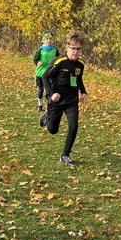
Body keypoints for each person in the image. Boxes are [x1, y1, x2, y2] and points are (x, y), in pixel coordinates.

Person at [39, 30, 88, 167]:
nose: (75, 52)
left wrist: (83, 92)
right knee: (53, 130)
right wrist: (51, 94)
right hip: (57, 100)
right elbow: (45, 76)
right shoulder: (59, 61)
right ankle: (48, 115)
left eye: (78, 49)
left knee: (74, 125)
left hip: (71, 100)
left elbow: (79, 79)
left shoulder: (80, 65)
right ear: (67, 48)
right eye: (73, 48)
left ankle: (65, 155)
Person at [33, 31, 59, 111]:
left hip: (50, 73)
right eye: (47, 39)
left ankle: (49, 105)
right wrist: (37, 63)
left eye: (50, 39)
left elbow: (59, 59)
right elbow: (35, 59)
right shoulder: (41, 49)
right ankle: (40, 104)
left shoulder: (55, 49)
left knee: (49, 90)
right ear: (43, 40)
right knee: (41, 89)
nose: (48, 40)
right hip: (40, 72)